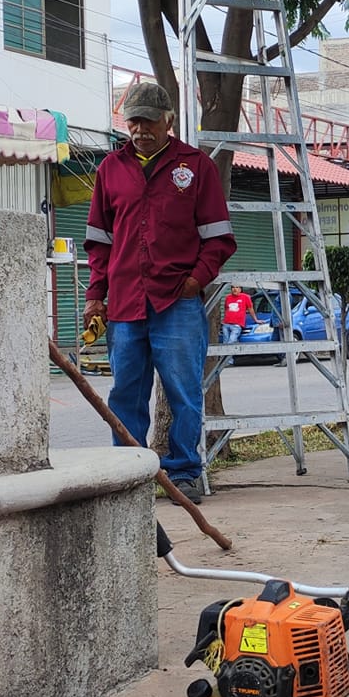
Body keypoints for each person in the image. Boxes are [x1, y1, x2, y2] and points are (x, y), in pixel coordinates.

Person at [82, 82, 235, 498]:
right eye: (133, 120)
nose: (140, 129)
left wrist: (195, 281)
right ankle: (128, 473)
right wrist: (96, 296)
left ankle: (183, 472)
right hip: (125, 304)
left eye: (148, 120)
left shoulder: (196, 167)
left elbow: (219, 238)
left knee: (184, 393)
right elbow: (99, 241)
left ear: (169, 120)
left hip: (177, 303)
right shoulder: (110, 170)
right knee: (126, 394)